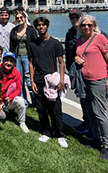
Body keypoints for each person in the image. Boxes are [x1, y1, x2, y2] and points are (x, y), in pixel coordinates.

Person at [65, 8, 108, 137]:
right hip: (79, 73)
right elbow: (69, 52)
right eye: (72, 18)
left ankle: (98, 134)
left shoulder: (97, 33)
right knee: (84, 101)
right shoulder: (70, 34)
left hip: (97, 75)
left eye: (77, 17)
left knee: (97, 108)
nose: (74, 20)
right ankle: (87, 123)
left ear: (82, 17)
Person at [75, 15, 108, 160]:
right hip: (84, 80)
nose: (86, 27)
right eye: (84, 25)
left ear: (94, 26)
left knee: (100, 113)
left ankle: (107, 145)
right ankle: (97, 139)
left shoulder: (100, 38)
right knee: (90, 112)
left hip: (99, 80)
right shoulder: (79, 40)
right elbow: (79, 54)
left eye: (89, 25)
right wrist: (76, 58)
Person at [29, 17, 68, 148]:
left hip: (53, 82)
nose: (41, 27)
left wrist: (62, 80)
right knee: (41, 108)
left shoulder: (55, 43)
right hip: (39, 81)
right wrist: (32, 80)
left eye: (43, 25)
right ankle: (46, 132)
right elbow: (31, 63)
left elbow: (61, 63)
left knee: (55, 109)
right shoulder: (32, 44)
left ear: (47, 26)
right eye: (38, 25)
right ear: (36, 28)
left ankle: (60, 134)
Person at [9, 10, 37, 106]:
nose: (19, 19)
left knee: (29, 80)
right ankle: (23, 102)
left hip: (28, 58)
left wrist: (34, 58)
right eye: (17, 18)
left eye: (21, 17)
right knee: (19, 81)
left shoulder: (31, 30)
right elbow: (11, 46)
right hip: (17, 58)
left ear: (25, 18)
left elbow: (35, 44)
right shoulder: (14, 30)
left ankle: (35, 102)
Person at [0, 52, 29, 133]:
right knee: (0, 116)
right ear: (3, 60)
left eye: (11, 61)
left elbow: (18, 89)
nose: (8, 63)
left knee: (21, 101)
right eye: (6, 60)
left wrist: (10, 97)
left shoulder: (17, 74)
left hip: (8, 101)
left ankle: (22, 123)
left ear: (14, 63)